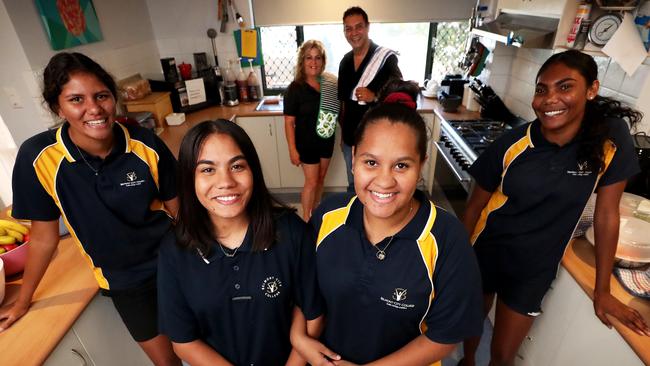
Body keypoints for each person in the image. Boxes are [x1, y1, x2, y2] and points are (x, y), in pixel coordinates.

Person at [460, 50, 650, 366]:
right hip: (488, 249)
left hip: (535, 266)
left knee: (503, 356)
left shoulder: (610, 138)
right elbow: (474, 206)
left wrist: (602, 291)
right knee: (470, 324)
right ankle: (466, 361)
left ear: (591, 90)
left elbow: (607, 214)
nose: (549, 99)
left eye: (565, 87)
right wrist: (459, 258)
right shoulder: (512, 144)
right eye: (541, 89)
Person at [1, 52, 181, 365]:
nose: (94, 109)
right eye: (76, 99)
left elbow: (182, 214)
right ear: (58, 107)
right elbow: (44, 238)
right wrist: (23, 300)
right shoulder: (38, 158)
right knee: (167, 362)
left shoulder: (145, 143)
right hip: (125, 281)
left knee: (212, 344)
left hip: (178, 261)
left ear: (114, 98)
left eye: (101, 96)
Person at [292, 80, 483, 365]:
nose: (384, 180)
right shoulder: (327, 216)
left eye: (401, 165)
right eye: (371, 162)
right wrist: (299, 339)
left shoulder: (446, 239)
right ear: (354, 158)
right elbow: (303, 288)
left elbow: (446, 336)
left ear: (421, 166)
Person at [157, 119, 324, 365]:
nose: (226, 182)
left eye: (237, 166)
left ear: (253, 170)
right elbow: (183, 341)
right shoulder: (174, 250)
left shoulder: (291, 233)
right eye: (207, 169)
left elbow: (312, 313)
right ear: (188, 179)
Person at [338, 6, 402, 192]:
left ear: (367, 27)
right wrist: (343, 136)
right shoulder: (345, 61)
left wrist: (375, 96)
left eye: (358, 27)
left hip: (378, 137)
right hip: (351, 138)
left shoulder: (385, 58)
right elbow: (343, 102)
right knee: (353, 184)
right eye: (348, 29)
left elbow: (401, 95)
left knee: (376, 185)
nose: (353, 33)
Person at [284, 40, 339, 221]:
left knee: (321, 178)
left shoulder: (330, 84)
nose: (313, 62)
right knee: (311, 182)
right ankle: (306, 221)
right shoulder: (295, 88)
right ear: (302, 61)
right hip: (306, 142)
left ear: (323, 61)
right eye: (309, 58)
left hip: (326, 140)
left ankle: (315, 214)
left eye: (317, 58)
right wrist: (292, 149)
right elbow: (289, 122)